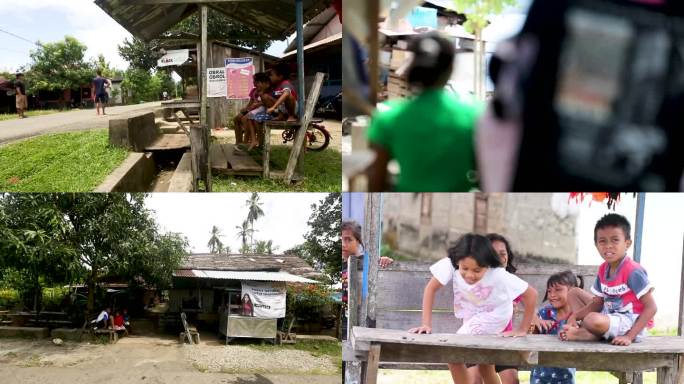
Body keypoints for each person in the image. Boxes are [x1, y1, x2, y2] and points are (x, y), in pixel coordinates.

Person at [409, 233, 538, 384]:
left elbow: (532, 295)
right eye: (465, 268)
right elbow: (430, 289)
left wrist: (522, 329)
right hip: (474, 316)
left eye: (477, 271)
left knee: (453, 353)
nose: (469, 275)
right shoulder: (450, 263)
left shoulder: (498, 274)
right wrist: (426, 324)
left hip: (496, 315)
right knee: (485, 365)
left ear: (488, 265)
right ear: (458, 261)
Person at [366, 32, 482, 192]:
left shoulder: (388, 118)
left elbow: (375, 182)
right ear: (450, 69)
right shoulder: (475, 114)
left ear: (412, 67)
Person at [560, 213, 657, 346]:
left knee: (591, 319)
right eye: (602, 241)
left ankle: (587, 334)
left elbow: (651, 307)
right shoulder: (603, 269)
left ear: (627, 243)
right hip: (609, 313)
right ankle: (591, 332)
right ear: (596, 245)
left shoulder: (633, 271)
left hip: (630, 322)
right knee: (573, 293)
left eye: (615, 240)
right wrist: (575, 316)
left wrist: (629, 337)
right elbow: (597, 303)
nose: (608, 246)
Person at [465, 233, 521, 384]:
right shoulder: (473, 281)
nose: (499, 258)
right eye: (493, 254)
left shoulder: (510, 282)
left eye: (503, 254)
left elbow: (529, 299)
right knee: (474, 380)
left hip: (503, 340)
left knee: (511, 379)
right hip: (474, 339)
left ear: (508, 257)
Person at [530, 270, 582, 384]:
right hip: (540, 375)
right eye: (549, 291)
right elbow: (531, 338)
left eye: (558, 290)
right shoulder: (544, 313)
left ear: (573, 290)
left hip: (566, 376)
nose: (552, 295)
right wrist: (534, 322)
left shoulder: (578, 315)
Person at [234, 72, 272, 153]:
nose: (253, 83)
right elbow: (250, 104)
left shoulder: (267, 91)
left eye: (255, 81)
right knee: (236, 118)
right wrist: (245, 109)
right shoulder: (254, 91)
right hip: (253, 110)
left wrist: (255, 106)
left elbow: (267, 102)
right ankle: (238, 141)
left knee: (245, 118)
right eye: (254, 81)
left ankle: (246, 142)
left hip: (260, 111)